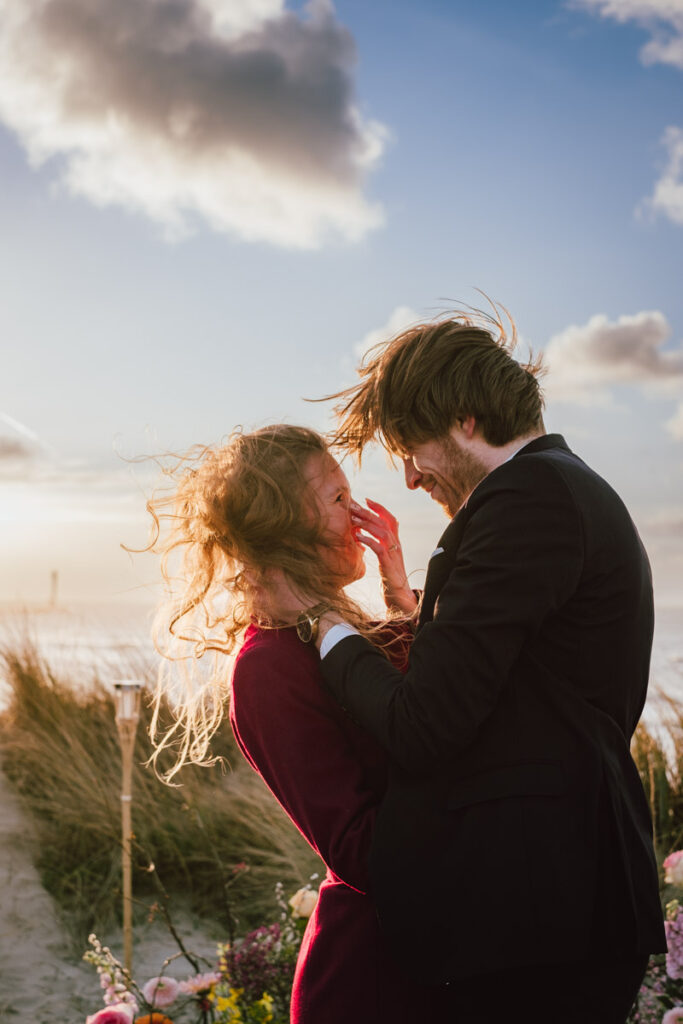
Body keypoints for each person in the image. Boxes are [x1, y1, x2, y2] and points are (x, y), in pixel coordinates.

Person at [303, 307, 666, 1024]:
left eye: (411, 448)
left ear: (464, 419)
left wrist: (328, 629)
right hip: (551, 908)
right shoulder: (557, 489)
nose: (408, 478)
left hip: (535, 919)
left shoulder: (525, 499)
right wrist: (408, 608)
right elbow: (516, 682)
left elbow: (425, 725)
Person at [147, 424, 446, 1023]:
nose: (358, 512)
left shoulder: (345, 632)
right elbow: (363, 850)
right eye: (337, 500)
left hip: (433, 961)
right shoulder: (269, 668)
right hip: (374, 983)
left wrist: (399, 597)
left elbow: (435, 709)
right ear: (288, 530)